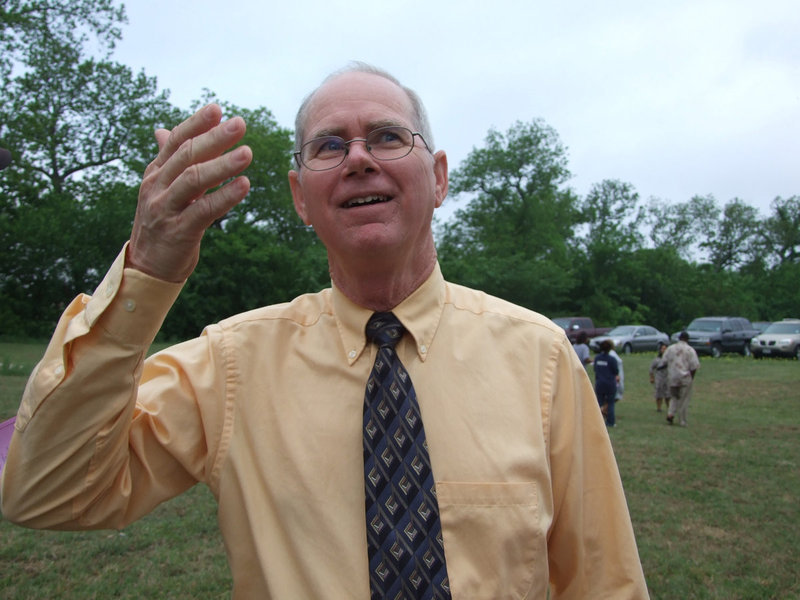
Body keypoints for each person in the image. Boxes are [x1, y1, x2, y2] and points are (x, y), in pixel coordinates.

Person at [0, 63, 649, 599]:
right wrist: (144, 275)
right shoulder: (229, 365)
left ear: (440, 177)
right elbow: (49, 492)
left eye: (389, 137)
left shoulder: (539, 357)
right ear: (300, 198)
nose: (359, 158)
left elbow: (603, 579)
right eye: (329, 146)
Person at [663, 331, 700, 427]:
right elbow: (694, 366)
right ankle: (682, 421)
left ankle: (670, 414)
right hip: (684, 377)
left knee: (674, 397)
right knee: (683, 400)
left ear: (679, 338)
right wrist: (691, 378)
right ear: (687, 339)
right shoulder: (690, 350)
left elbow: (664, 361)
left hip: (672, 377)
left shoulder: (670, 348)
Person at [593, 340, 620, 427]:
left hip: (600, 383)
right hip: (610, 384)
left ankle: (598, 422)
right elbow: (616, 371)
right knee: (610, 403)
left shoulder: (597, 358)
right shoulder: (612, 359)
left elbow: (595, 370)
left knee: (599, 403)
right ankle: (610, 422)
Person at [649, 342, 669, 412]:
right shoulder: (657, 360)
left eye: (665, 349)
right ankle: (659, 408)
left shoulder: (670, 359)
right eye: (663, 349)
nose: (664, 350)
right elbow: (651, 368)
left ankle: (669, 408)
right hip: (659, 378)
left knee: (668, 394)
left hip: (668, 378)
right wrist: (651, 377)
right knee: (659, 393)